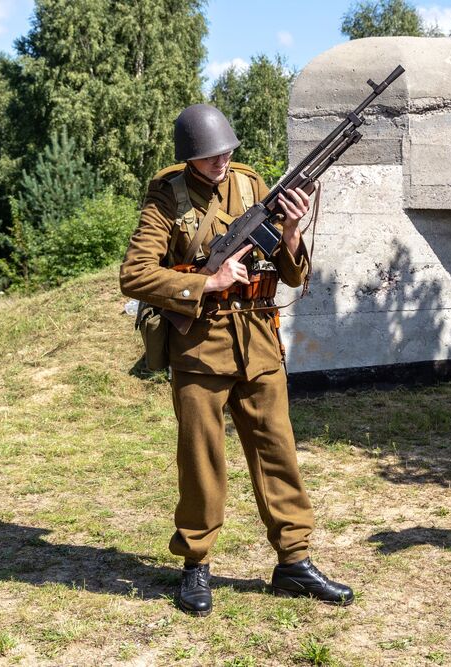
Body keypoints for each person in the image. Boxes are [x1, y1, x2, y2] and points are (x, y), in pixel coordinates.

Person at [120, 104, 352, 616]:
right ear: (189, 157)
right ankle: (196, 563)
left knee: (278, 452)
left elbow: (291, 275)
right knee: (202, 461)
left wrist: (292, 232)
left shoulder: (249, 185)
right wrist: (209, 282)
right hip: (200, 350)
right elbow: (134, 275)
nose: (221, 161)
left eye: (226, 152)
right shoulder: (167, 197)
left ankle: (294, 561)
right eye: (210, 156)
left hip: (259, 342)